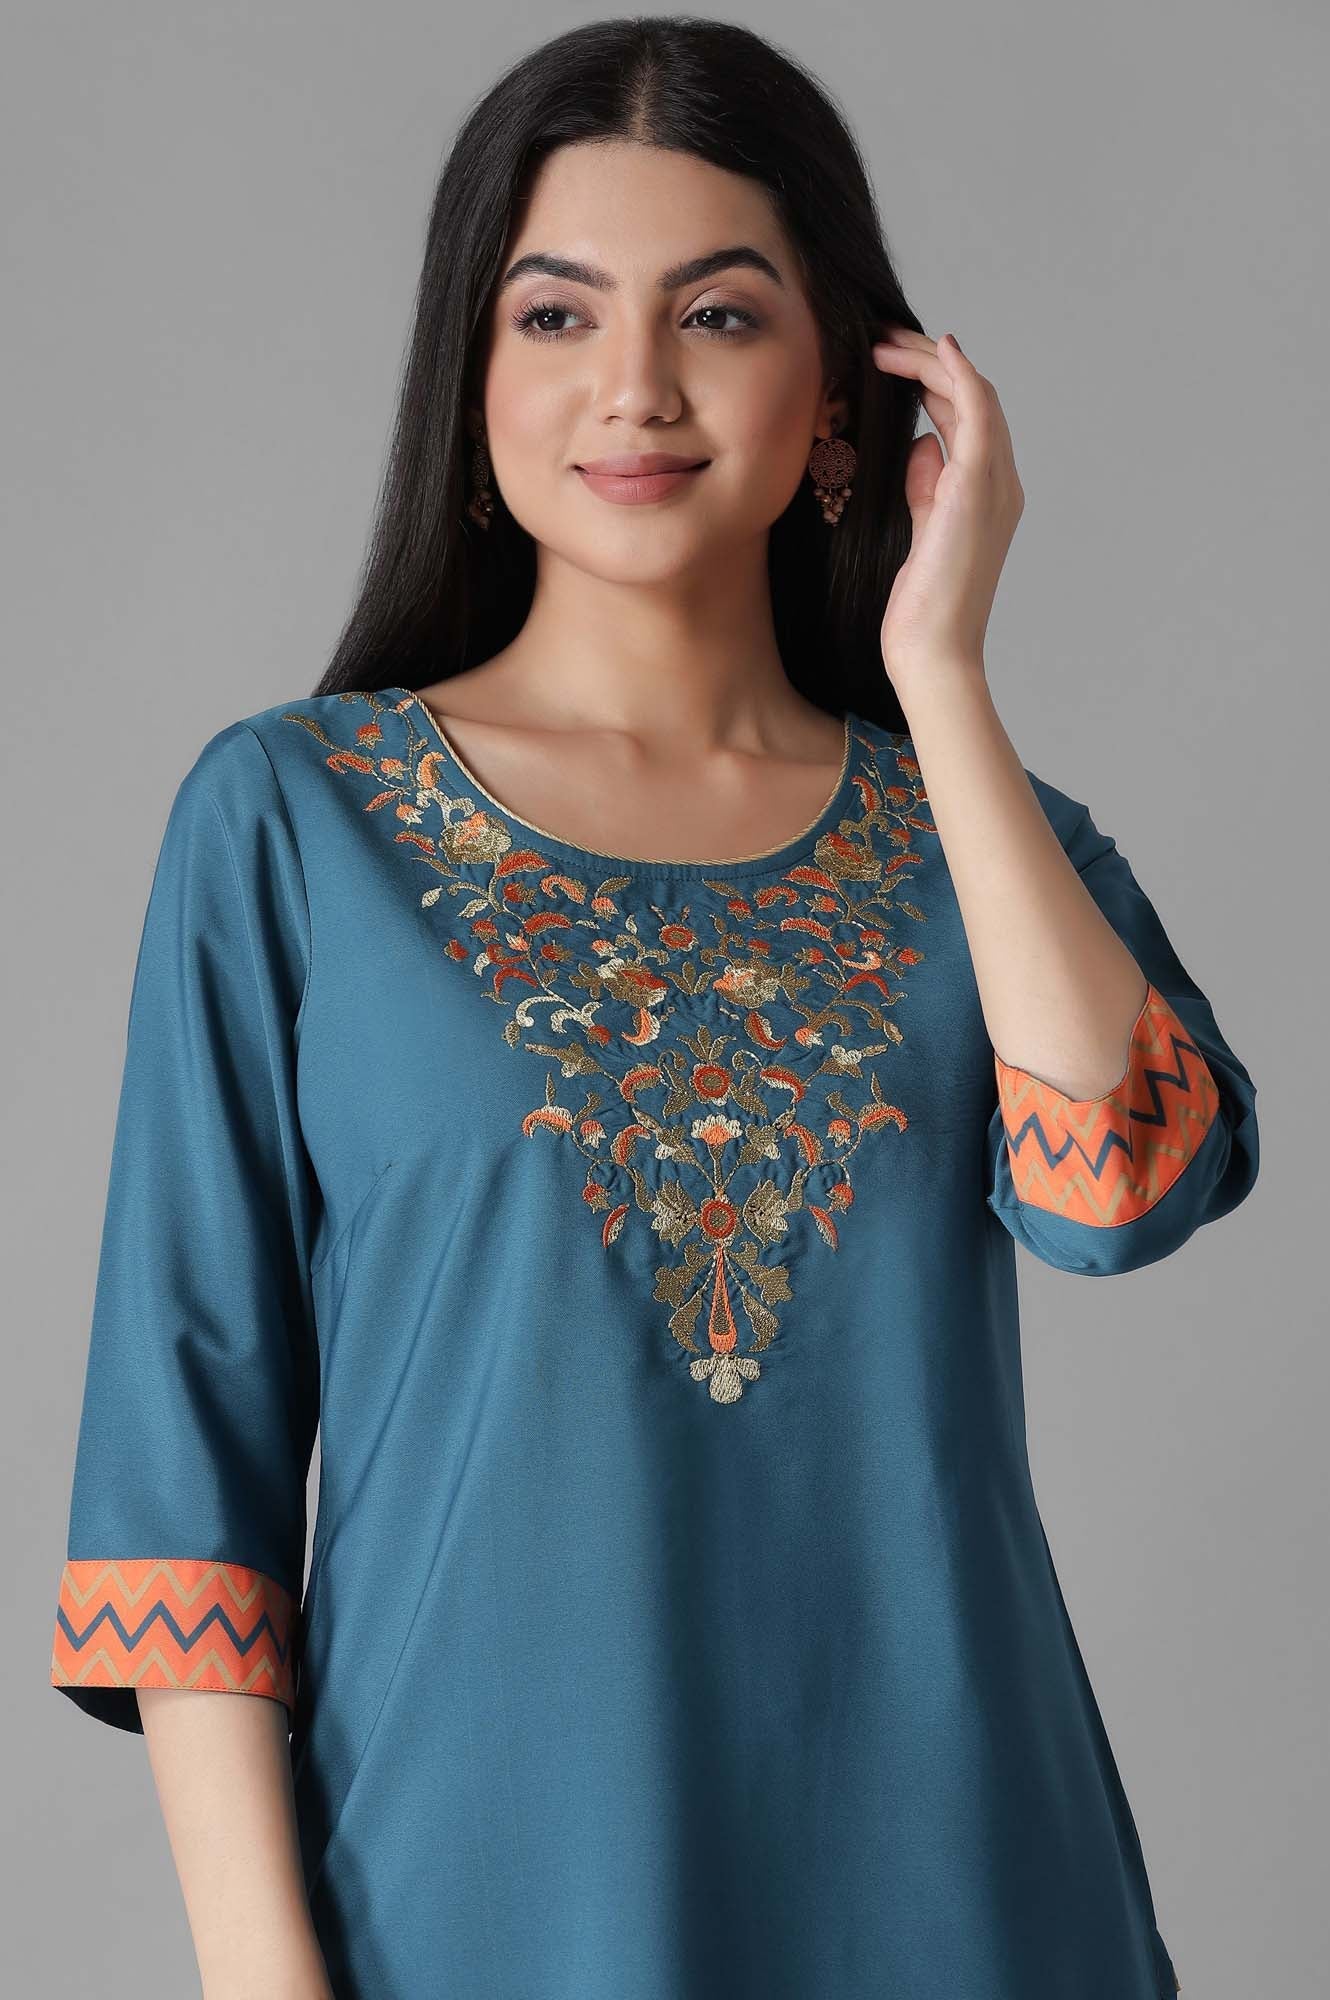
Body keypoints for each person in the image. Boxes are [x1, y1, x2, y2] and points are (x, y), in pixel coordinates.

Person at [48, 16, 1257, 1999]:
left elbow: (1116, 1193)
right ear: (470, 385)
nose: (632, 384)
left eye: (716, 313)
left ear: (843, 394)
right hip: (469, 1914)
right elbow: (185, 1487)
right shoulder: (295, 822)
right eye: (554, 315)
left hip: (965, 1904)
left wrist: (942, 674)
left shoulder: (986, 842)